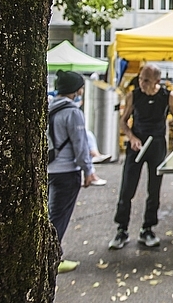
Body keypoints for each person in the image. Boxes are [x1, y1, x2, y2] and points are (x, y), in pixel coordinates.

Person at [109, 64, 173, 249]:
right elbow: (123, 121)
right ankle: (122, 230)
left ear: (156, 81)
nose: (140, 82)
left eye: (145, 80)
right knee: (127, 188)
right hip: (137, 145)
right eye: (141, 78)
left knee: (154, 189)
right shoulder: (134, 95)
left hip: (157, 144)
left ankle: (147, 229)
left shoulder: (168, 96)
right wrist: (131, 137)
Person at [48, 70, 102, 273]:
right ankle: (52, 259)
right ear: (76, 89)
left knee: (52, 214)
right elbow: (80, 146)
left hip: (50, 169)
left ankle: (48, 255)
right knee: (58, 217)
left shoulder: (50, 107)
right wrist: (89, 170)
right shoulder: (73, 112)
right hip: (67, 171)